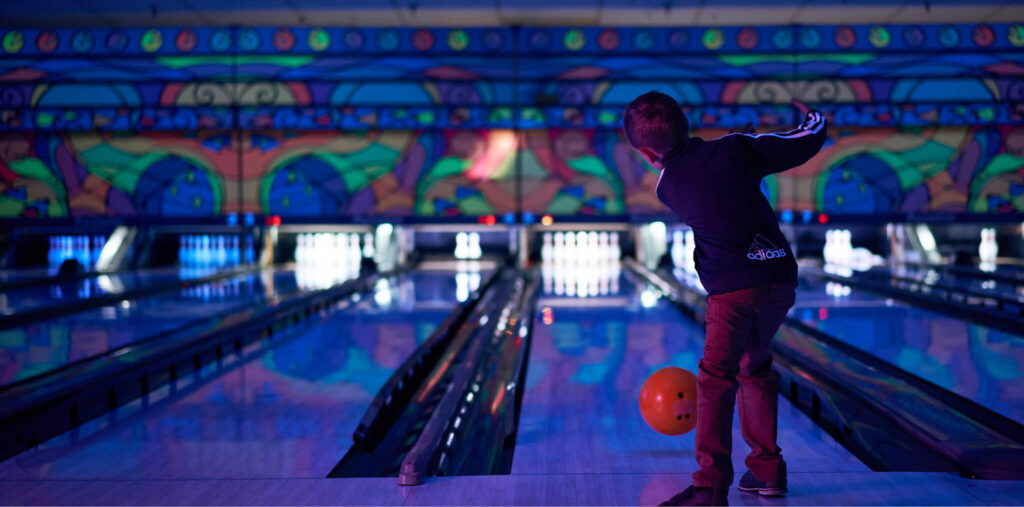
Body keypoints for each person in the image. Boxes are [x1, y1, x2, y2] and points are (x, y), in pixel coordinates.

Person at [622, 91, 826, 506]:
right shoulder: (736, 148)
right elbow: (805, 140)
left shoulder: (667, 185)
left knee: (716, 379)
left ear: (645, 153)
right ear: (687, 124)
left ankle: (710, 485)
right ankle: (767, 471)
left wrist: (738, 148)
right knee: (755, 366)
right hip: (779, 277)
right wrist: (813, 116)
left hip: (732, 289)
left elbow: (704, 176)